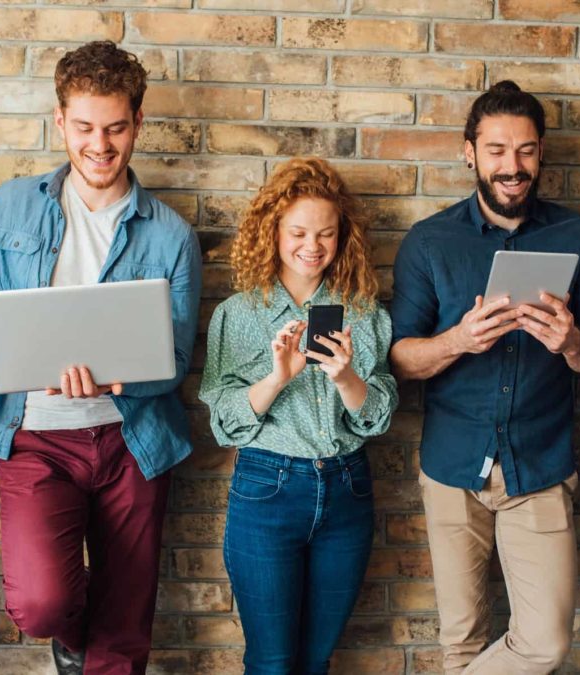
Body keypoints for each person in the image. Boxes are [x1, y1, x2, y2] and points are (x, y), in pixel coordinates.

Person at [0, 41, 202, 675]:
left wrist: (124, 372)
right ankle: (70, 637)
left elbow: (174, 362)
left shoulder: (171, 234)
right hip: (35, 436)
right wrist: (29, 320)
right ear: (59, 121)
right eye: (85, 127)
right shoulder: (12, 205)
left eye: (116, 128)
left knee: (123, 634)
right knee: (41, 603)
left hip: (132, 440)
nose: (100, 145)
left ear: (137, 123)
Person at [388, 81, 580, 674]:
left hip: (539, 462)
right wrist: (460, 339)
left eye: (526, 150)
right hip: (453, 466)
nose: (512, 167)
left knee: (543, 644)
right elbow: (399, 360)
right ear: (470, 153)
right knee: (461, 644)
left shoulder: (575, 234)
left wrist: (571, 343)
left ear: (541, 154)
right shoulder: (430, 242)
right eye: (496, 150)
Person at [199, 157, 398, 674]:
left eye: (326, 234)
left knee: (315, 661)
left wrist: (345, 378)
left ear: (342, 238)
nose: (313, 247)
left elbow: (375, 419)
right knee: (272, 662)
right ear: (273, 233)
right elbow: (224, 422)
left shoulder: (364, 313)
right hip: (267, 491)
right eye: (299, 232)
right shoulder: (237, 315)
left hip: (347, 490)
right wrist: (276, 379)